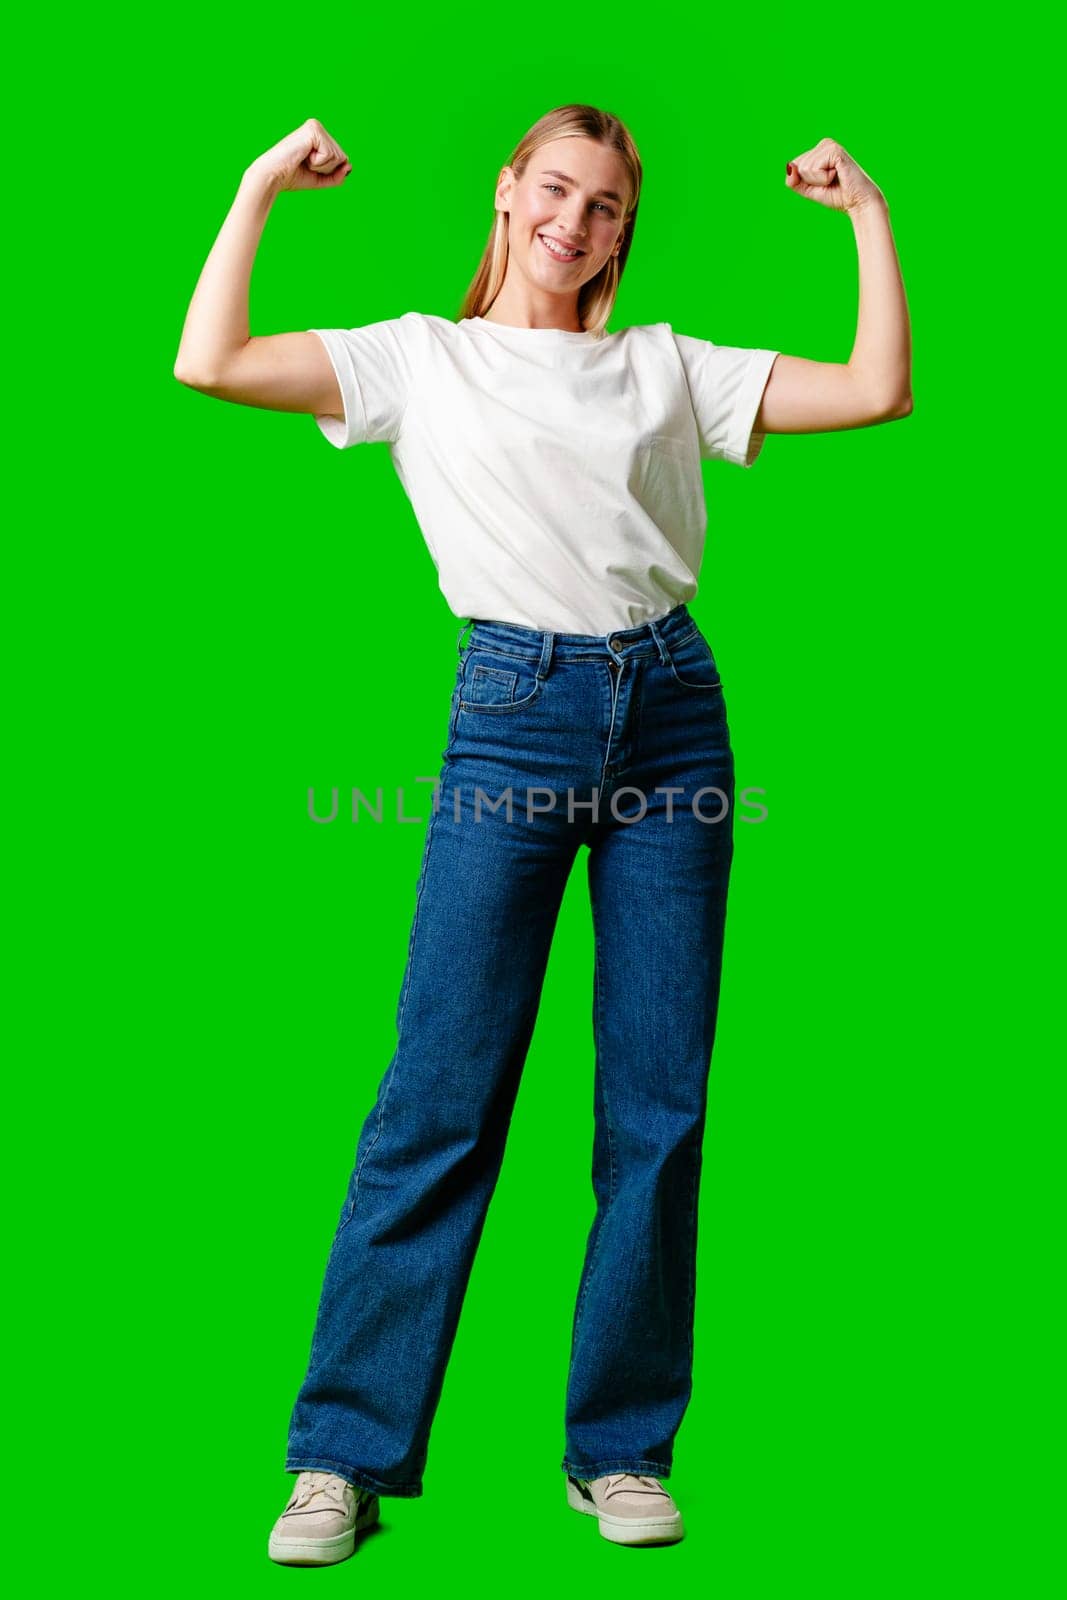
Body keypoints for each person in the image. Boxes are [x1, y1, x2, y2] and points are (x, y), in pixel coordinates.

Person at [174, 103, 913, 1564]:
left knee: (658, 1101)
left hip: (675, 710)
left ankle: (622, 1451)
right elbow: (208, 359)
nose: (580, 223)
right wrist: (262, 184)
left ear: (622, 236)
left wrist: (867, 217)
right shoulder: (416, 358)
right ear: (509, 197)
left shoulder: (666, 366)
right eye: (558, 192)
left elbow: (878, 391)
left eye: (610, 209)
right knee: (440, 1090)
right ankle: (340, 1458)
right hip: (513, 706)